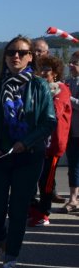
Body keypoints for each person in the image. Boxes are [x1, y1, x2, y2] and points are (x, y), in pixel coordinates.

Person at [0, 35, 56, 268]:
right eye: (11, 52)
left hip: (28, 156)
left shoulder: (39, 86)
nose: (15, 56)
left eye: (21, 52)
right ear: (5, 57)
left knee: (19, 209)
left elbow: (48, 121)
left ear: (31, 56)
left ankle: (11, 258)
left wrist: (26, 142)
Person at [27, 55, 72, 226]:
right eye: (41, 69)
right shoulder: (39, 88)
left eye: (47, 69)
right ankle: (34, 210)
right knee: (35, 179)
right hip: (38, 142)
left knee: (46, 181)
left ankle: (43, 213)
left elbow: (54, 113)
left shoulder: (61, 89)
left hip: (53, 144)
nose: (43, 72)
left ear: (55, 73)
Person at [63, 51, 79, 213]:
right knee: (73, 166)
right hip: (70, 131)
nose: (71, 65)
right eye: (71, 62)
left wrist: (68, 98)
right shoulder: (67, 82)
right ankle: (73, 198)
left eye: (75, 63)